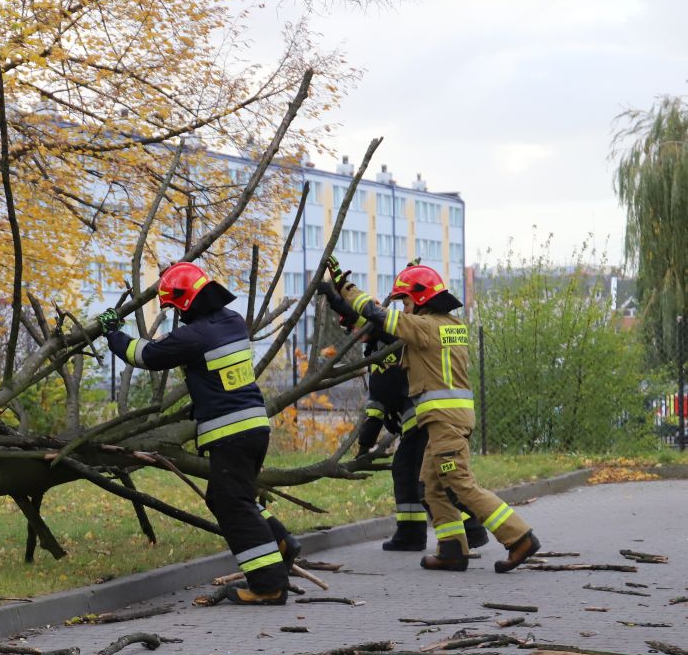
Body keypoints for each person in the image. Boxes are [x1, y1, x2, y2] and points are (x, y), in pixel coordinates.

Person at [99, 261, 298, 605]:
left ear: (188, 301)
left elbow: (145, 354)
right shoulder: (233, 322)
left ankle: (269, 584)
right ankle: (280, 542)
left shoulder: (194, 335)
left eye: (176, 307)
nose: (176, 314)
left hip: (231, 433)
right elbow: (220, 376)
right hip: (254, 427)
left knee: (231, 503)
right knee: (230, 497)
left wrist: (113, 333)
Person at [329, 259, 541, 572]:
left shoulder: (424, 327)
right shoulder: (450, 326)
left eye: (406, 301)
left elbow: (377, 315)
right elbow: (387, 335)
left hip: (445, 421)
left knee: (458, 483)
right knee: (431, 485)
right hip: (450, 419)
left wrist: (344, 289)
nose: (403, 309)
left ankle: (519, 537)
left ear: (422, 298)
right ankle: (452, 550)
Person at [317, 279, 488, 553]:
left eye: (354, 328)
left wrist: (337, 295)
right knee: (418, 476)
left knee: (430, 478)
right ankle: (425, 533)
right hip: (421, 422)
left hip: (424, 421)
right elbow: (376, 405)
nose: (353, 333)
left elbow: (368, 318)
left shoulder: (389, 340)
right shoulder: (376, 352)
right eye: (349, 329)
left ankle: (457, 531)